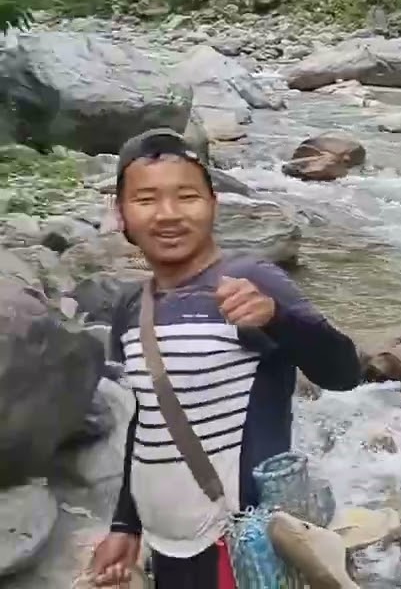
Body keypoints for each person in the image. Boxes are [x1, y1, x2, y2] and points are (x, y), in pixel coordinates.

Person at [88, 128, 362, 588]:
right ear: (121, 214)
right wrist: (125, 527)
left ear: (213, 204)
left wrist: (277, 318)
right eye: (146, 199)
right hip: (168, 545)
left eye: (187, 196)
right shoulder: (132, 306)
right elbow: (147, 423)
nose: (168, 214)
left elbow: (344, 373)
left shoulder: (252, 279)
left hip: (239, 548)